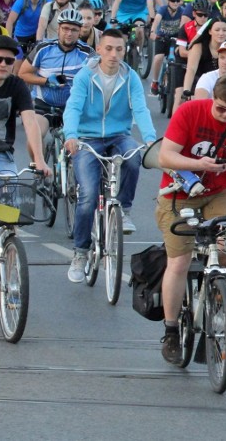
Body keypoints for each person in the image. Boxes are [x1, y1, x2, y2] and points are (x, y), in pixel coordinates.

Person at [157, 72, 226, 365]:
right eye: (220, 107)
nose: (225, 115)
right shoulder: (190, 111)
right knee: (179, 262)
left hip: (220, 192)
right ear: (213, 99)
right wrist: (199, 164)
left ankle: (214, 280)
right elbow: (165, 157)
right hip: (179, 192)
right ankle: (171, 331)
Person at [62, 28, 157, 282]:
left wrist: (150, 139)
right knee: (89, 194)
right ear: (99, 50)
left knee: (133, 157)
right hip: (87, 137)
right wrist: (71, 135)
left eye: (119, 49)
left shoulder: (131, 76)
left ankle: (123, 210)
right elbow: (73, 106)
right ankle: (80, 252)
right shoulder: (86, 75)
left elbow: (140, 109)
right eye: (109, 49)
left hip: (118, 135)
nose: (114, 54)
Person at [0, 36, 50, 205]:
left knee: (10, 214)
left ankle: (8, 232)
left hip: (2, 155)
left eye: (9, 61)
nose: (3, 64)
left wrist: (39, 159)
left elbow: (30, 122)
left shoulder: (17, 86)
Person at [19, 8, 93, 156]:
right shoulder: (43, 49)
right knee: (33, 139)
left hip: (73, 106)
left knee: (80, 147)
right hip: (44, 105)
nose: (69, 33)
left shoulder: (87, 53)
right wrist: (45, 81)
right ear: (58, 29)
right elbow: (22, 73)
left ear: (80, 32)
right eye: (65, 28)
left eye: (74, 30)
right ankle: (38, 170)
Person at [180, 17, 226, 109]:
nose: (221, 33)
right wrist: (186, 90)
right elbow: (191, 69)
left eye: (224, 30)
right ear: (210, 31)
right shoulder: (199, 46)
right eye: (217, 30)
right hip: (200, 84)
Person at [5, 0, 48, 68]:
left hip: (37, 35)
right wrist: (9, 39)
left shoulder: (46, 1)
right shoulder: (22, 1)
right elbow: (10, 21)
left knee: (37, 63)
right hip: (21, 35)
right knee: (18, 61)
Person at [149, 0, 185, 96]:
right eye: (173, 0)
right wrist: (152, 32)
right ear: (168, 1)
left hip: (175, 39)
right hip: (162, 38)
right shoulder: (163, 9)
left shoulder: (182, 11)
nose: (175, 3)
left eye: (177, 0)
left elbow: (184, 25)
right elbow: (157, 20)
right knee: (158, 58)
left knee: (180, 61)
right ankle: (155, 82)